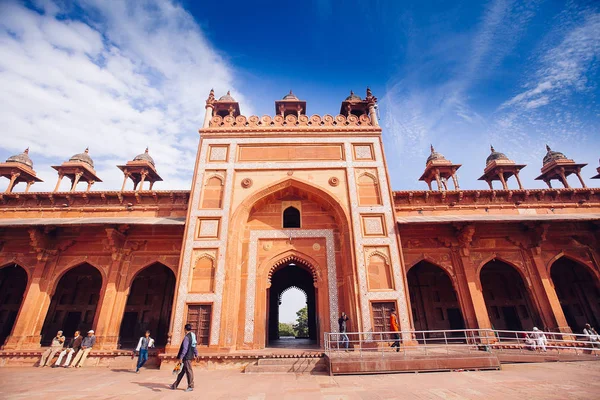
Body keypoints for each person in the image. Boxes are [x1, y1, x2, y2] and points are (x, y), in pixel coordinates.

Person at [170, 324, 198, 392]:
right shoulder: (193, 336)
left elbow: (185, 349)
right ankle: (175, 385)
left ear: (185, 329)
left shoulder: (186, 338)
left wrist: (181, 357)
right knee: (181, 371)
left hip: (186, 357)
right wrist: (196, 353)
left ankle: (190, 386)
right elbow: (194, 346)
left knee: (189, 371)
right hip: (189, 356)